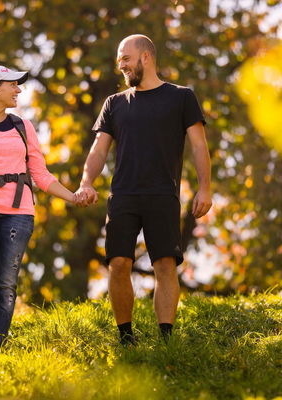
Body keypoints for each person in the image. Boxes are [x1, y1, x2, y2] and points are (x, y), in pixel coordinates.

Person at [75, 34, 212, 345]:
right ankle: (126, 336)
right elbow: (98, 150)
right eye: (119, 59)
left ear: (146, 57)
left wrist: (205, 189)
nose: (121, 65)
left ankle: (166, 338)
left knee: (165, 264)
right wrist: (86, 182)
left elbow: (199, 146)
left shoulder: (181, 98)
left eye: (125, 58)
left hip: (163, 195)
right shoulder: (115, 103)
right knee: (118, 262)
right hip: (123, 195)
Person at [0, 65, 75, 354]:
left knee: (7, 280)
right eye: (13, 85)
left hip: (19, 211)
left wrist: (73, 196)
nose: (18, 89)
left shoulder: (24, 127)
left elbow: (41, 175)